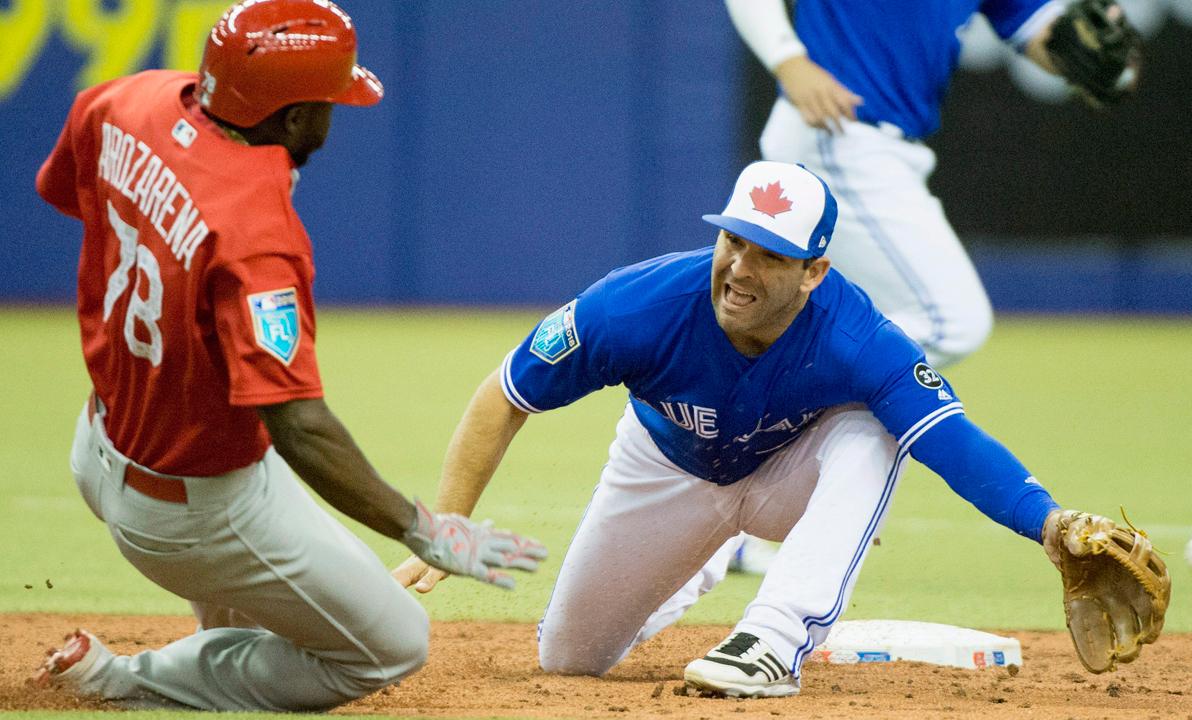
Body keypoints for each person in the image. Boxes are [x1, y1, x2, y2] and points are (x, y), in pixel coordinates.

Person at [391, 160, 1147, 698]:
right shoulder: (636, 307)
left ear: (814, 271)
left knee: (878, 431)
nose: (740, 267)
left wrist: (1049, 525)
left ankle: (775, 640)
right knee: (568, 660)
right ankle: (707, 556)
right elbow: (506, 394)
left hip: (794, 475)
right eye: (734, 239)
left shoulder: (858, 336)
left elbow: (948, 437)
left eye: (771, 253)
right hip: (667, 467)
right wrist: (448, 516)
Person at [29, 0, 546, 711]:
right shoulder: (256, 233)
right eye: (331, 100)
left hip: (98, 444)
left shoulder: (123, 99)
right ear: (295, 117)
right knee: (395, 644)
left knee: (265, 578)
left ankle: (214, 633)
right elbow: (297, 425)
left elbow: (68, 194)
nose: (337, 115)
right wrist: (422, 529)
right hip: (193, 511)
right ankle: (129, 680)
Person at [721, 0, 1142, 575]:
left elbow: (1035, 32)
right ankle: (764, 447)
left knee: (828, 323)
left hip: (886, 148)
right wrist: (788, 58)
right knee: (947, 320)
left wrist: (1089, 52)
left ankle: (744, 503)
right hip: (839, 130)